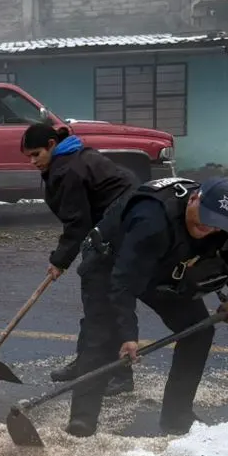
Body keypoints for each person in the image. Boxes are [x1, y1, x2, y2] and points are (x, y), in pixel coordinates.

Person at [66, 176, 228, 438]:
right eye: (204, 217)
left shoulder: (227, 219)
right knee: (104, 336)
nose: (208, 227)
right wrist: (129, 335)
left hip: (163, 266)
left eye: (216, 223)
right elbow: (123, 282)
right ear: (195, 198)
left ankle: (177, 417)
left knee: (198, 331)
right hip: (110, 263)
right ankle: (82, 421)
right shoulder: (151, 220)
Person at [21, 123, 137, 393]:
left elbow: (77, 222)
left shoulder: (69, 169)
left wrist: (60, 260)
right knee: (94, 302)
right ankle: (86, 362)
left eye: (36, 154)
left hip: (119, 232)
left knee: (106, 302)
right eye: (28, 156)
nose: (32, 161)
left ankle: (121, 375)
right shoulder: (70, 157)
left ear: (52, 144)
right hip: (106, 228)